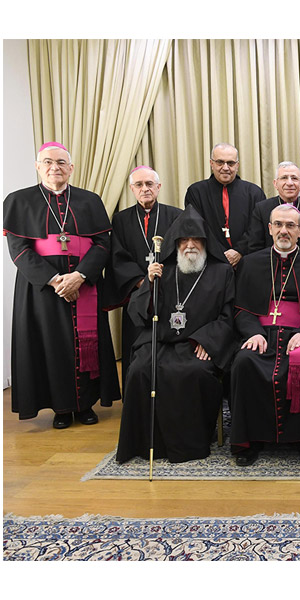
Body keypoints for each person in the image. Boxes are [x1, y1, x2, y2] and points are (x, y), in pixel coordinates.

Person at [3, 142, 120, 427]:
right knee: (52, 345)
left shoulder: (90, 200)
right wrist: (56, 280)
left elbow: (103, 243)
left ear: (71, 168)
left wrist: (79, 276)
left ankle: (85, 406)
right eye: (47, 162)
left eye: (61, 162)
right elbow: (19, 249)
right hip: (43, 289)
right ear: (37, 166)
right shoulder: (19, 200)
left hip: (86, 282)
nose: (54, 167)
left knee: (87, 343)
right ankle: (62, 408)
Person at [115, 206, 236, 463]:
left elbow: (228, 316)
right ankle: (146, 442)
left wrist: (209, 341)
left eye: (196, 240)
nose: (190, 245)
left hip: (197, 343)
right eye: (184, 240)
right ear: (175, 242)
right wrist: (149, 283)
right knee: (140, 370)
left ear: (205, 242)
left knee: (192, 373)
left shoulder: (222, 271)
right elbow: (141, 313)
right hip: (160, 340)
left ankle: (188, 445)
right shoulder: (163, 270)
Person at [229, 203, 300, 467]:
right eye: (278, 224)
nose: (284, 231)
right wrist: (253, 333)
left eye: (290, 226)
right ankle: (249, 440)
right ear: (269, 229)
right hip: (261, 334)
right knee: (244, 363)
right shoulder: (251, 263)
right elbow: (240, 309)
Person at [108, 166, 182, 385]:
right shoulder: (120, 219)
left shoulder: (176, 215)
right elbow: (117, 256)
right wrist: (143, 282)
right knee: (136, 347)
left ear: (158, 187)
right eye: (139, 185)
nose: (145, 189)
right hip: (137, 295)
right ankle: (135, 396)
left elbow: (183, 253)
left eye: (150, 184)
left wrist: (161, 279)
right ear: (132, 189)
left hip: (168, 292)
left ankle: (168, 393)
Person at [184, 143, 265, 268]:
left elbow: (257, 229)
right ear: (212, 164)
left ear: (237, 165)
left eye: (231, 163)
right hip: (210, 264)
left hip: (246, 262)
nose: (225, 167)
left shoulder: (254, 193)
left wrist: (239, 251)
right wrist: (220, 254)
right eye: (220, 162)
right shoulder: (196, 192)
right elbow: (197, 228)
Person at [245, 161, 300, 256]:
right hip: (270, 267)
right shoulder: (261, 209)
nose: (289, 183)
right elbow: (255, 248)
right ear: (275, 184)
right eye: (284, 178)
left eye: (294, 178)